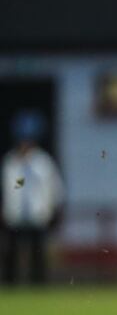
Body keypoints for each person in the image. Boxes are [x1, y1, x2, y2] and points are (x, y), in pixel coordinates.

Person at [1, 110, 64, 285]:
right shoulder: (10, 162)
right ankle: (10, 286)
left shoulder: (43, 162)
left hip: (37, 215)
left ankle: (39, 287)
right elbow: (7, 189)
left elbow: (55, 189)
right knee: (11, 255)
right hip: (14, 215)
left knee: (38, 256)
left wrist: (54, 211)